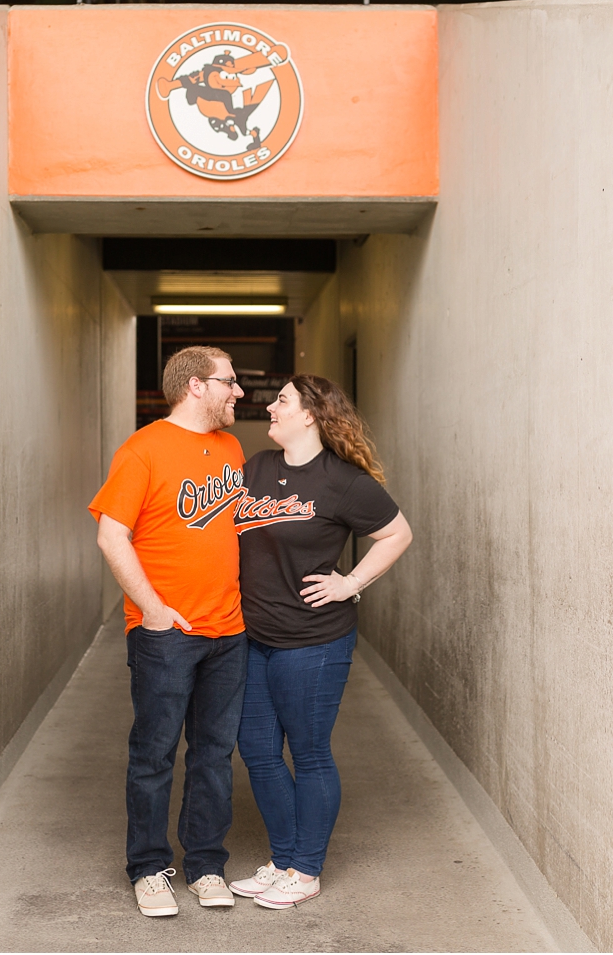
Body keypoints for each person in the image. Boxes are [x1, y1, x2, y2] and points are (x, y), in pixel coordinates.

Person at [227, 374, 412, 910]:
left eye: (281, 400)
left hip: (313, 642)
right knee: (258, 751)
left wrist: (351, 583)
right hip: (254, 637)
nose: (270, 407)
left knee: (307, 754)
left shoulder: (344, 481)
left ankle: (305, 869)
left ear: (310, 413)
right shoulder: (256, 468)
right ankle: (283, 859)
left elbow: (397, 533)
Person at [89, 346, 250, 918]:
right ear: (196, 387)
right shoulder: (143, 451)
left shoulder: (231, 448)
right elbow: (113, 535)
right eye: (229, 382)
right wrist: (153, 610)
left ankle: (206, 865)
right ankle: (149, 868)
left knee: (212, 754)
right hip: (166, 635)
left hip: (228, 632)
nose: (239, 392)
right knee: (154, 754)